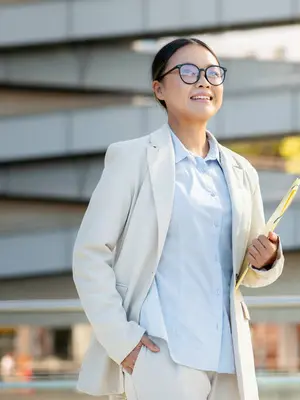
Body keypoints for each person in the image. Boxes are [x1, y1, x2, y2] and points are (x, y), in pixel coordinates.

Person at [71, 38, 285, 400]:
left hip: (228, 353)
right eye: (188, 72)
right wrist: (124, 343)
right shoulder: (133, 159)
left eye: (212, 73)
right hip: (162, 353)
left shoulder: (240, 171)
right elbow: (90, 254)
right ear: (159, 89)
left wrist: (267, 260)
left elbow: (251, 272)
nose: (203, 81)